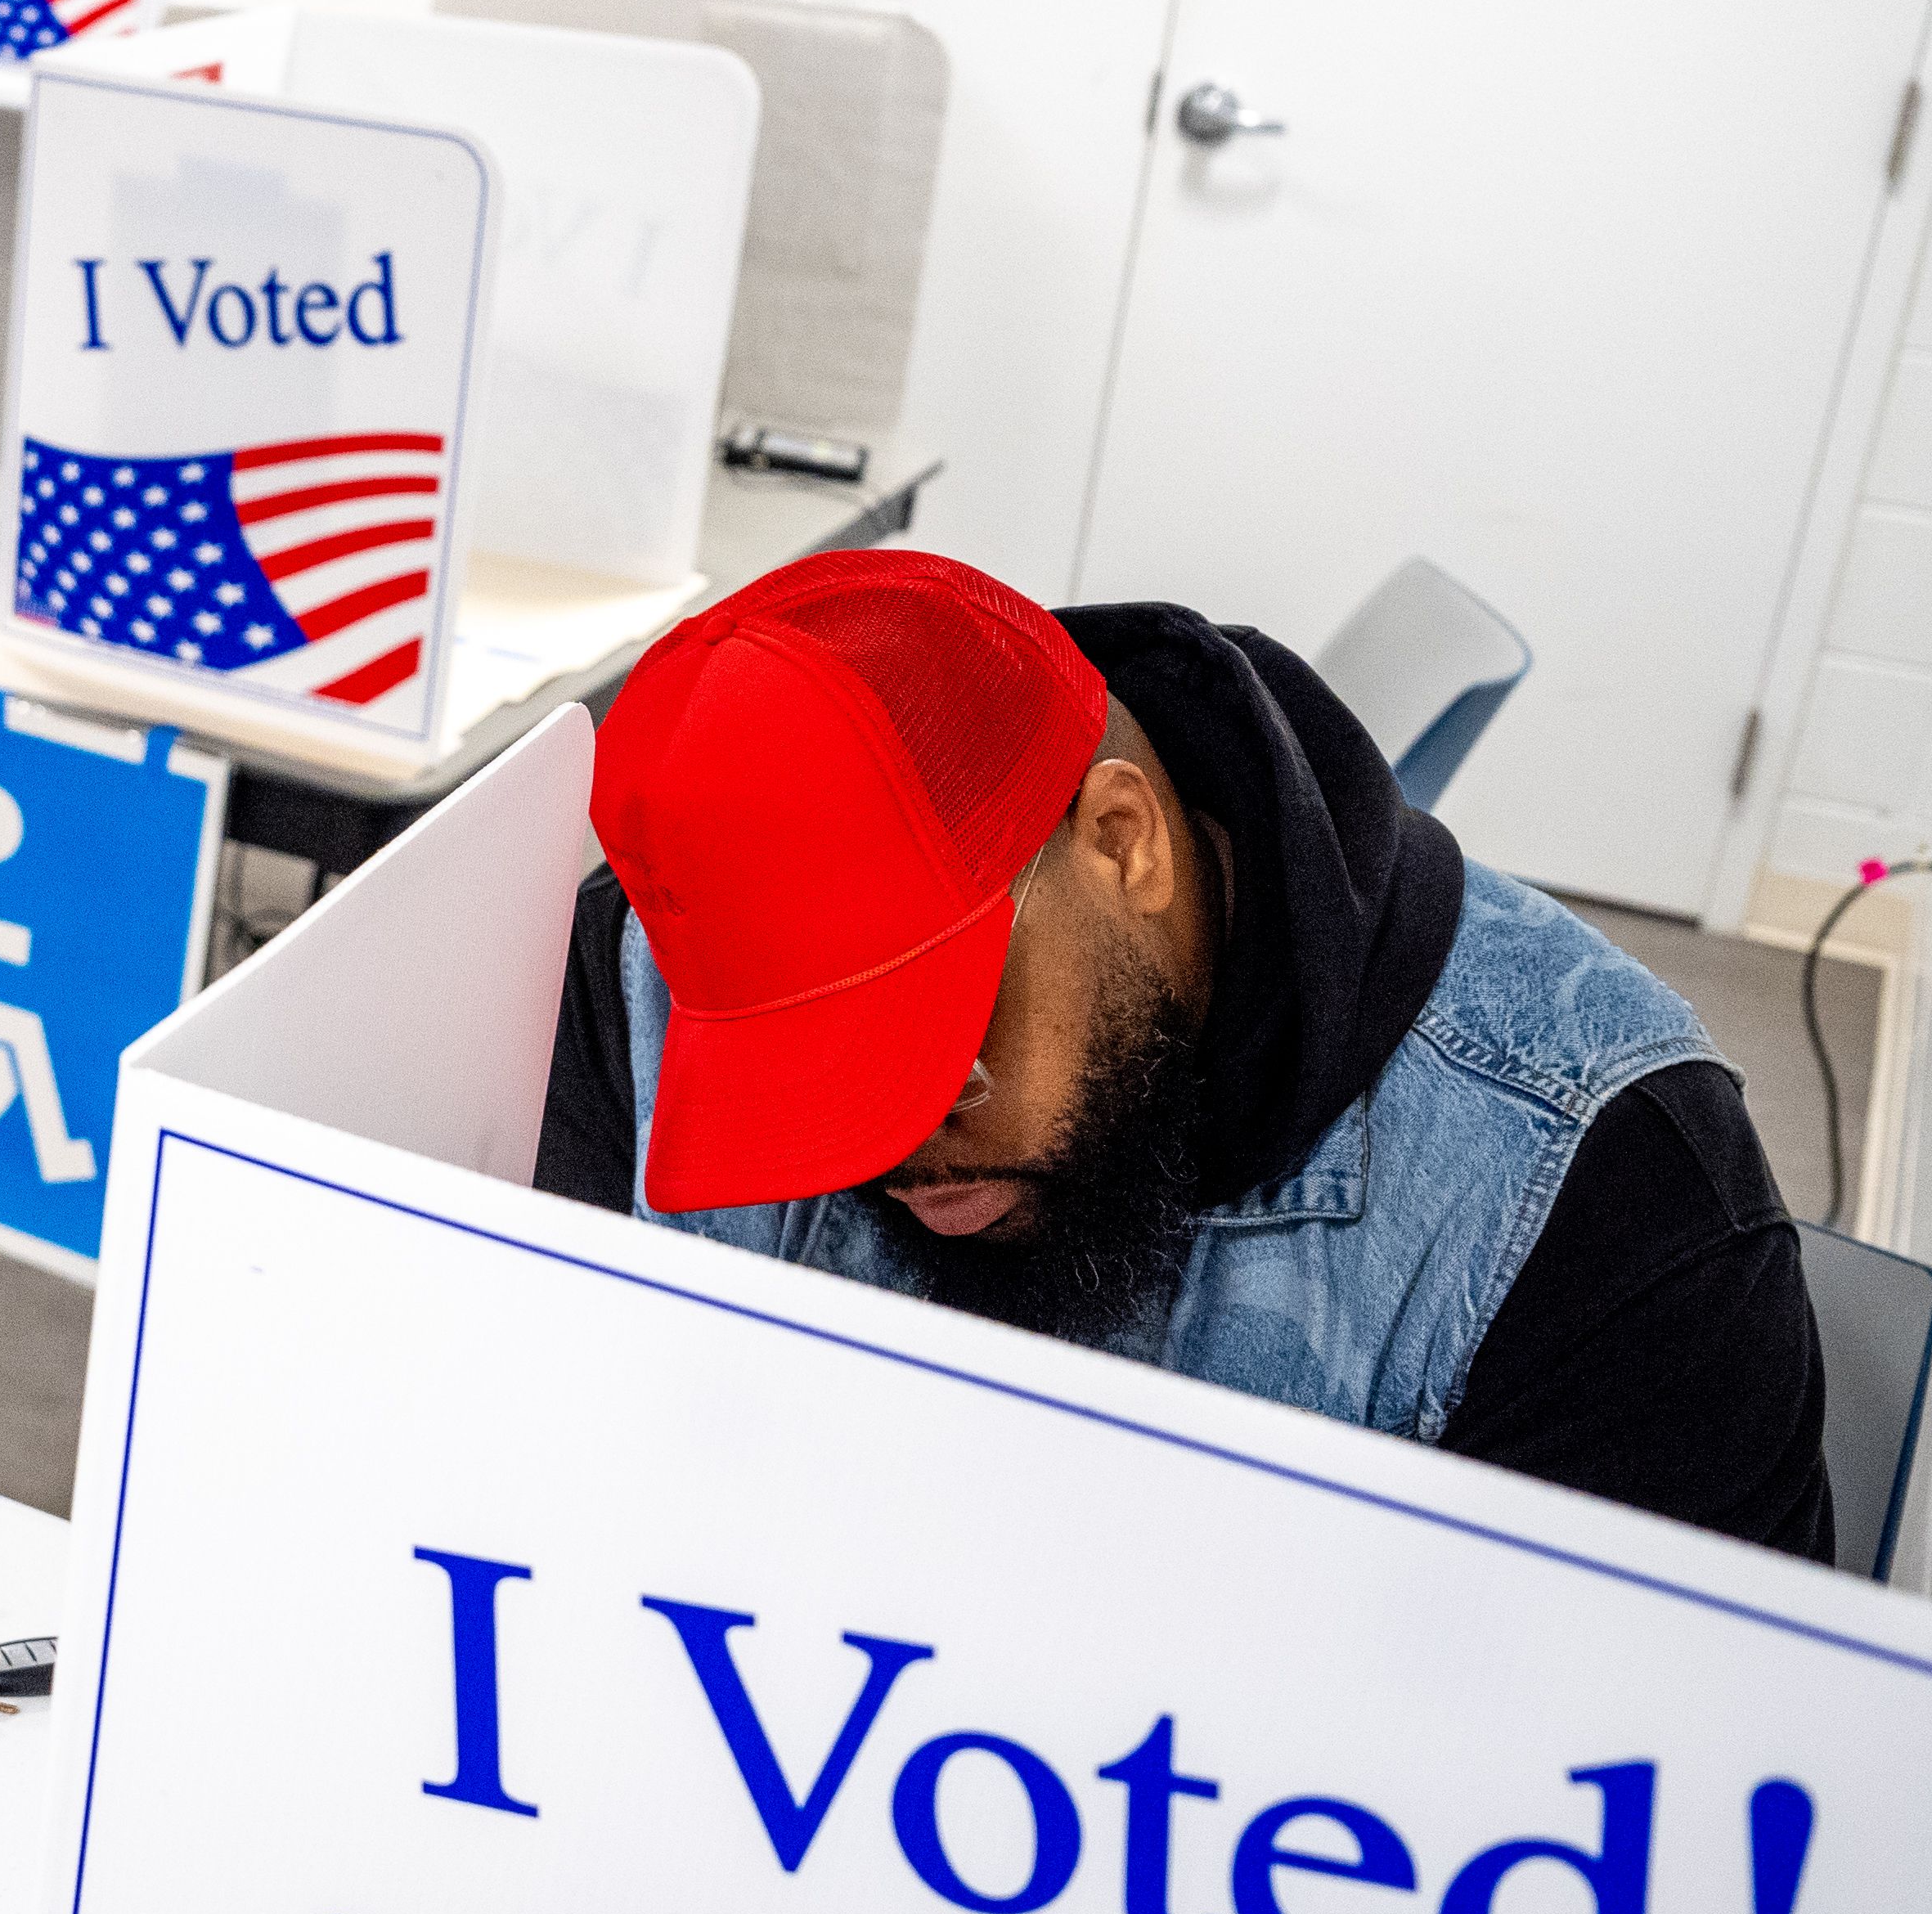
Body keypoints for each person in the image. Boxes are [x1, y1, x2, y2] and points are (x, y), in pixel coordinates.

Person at [538, 550, 1831, 1554]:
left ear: (1122, 843)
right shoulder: (628, 981)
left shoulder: (1604, 1195)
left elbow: (1662, 1841)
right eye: (799, 1082)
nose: (885, 1141)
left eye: (934, 1043)